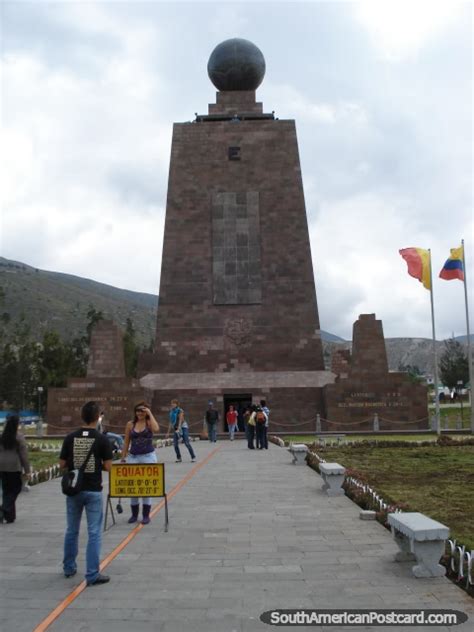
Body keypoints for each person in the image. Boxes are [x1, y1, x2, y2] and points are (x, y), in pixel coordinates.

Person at [59, 401, 113, 585]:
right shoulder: (102, 439)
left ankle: (68, 567)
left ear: (82, 416)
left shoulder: (70, 437)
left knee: (71, 530)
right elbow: (108, 466)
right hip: (93, 489)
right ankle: (91, 574)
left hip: (74, 489)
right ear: (98, 417)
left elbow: (62, 465)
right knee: (94, 532)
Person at [121, 401, 159, 525]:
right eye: (137, 410)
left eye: (142, 411)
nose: (139, 413)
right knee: (134, 487)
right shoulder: (130, 424)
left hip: (148, 456)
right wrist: (123, 458)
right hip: (133, 456)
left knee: (146, 486)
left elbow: (156, 429)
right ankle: (134, 514)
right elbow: (126, 442)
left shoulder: (149, 423)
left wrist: (150, 413)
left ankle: (146, 515)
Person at [0, 414, 31, 524]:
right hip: (14, 466)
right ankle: (3, 508)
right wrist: (27, 471)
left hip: (2, 466)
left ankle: (9, 516)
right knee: (16, 489)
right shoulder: (18, 436)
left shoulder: (2, 436)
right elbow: (24, 456)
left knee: (6, 490)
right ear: (16, 424)